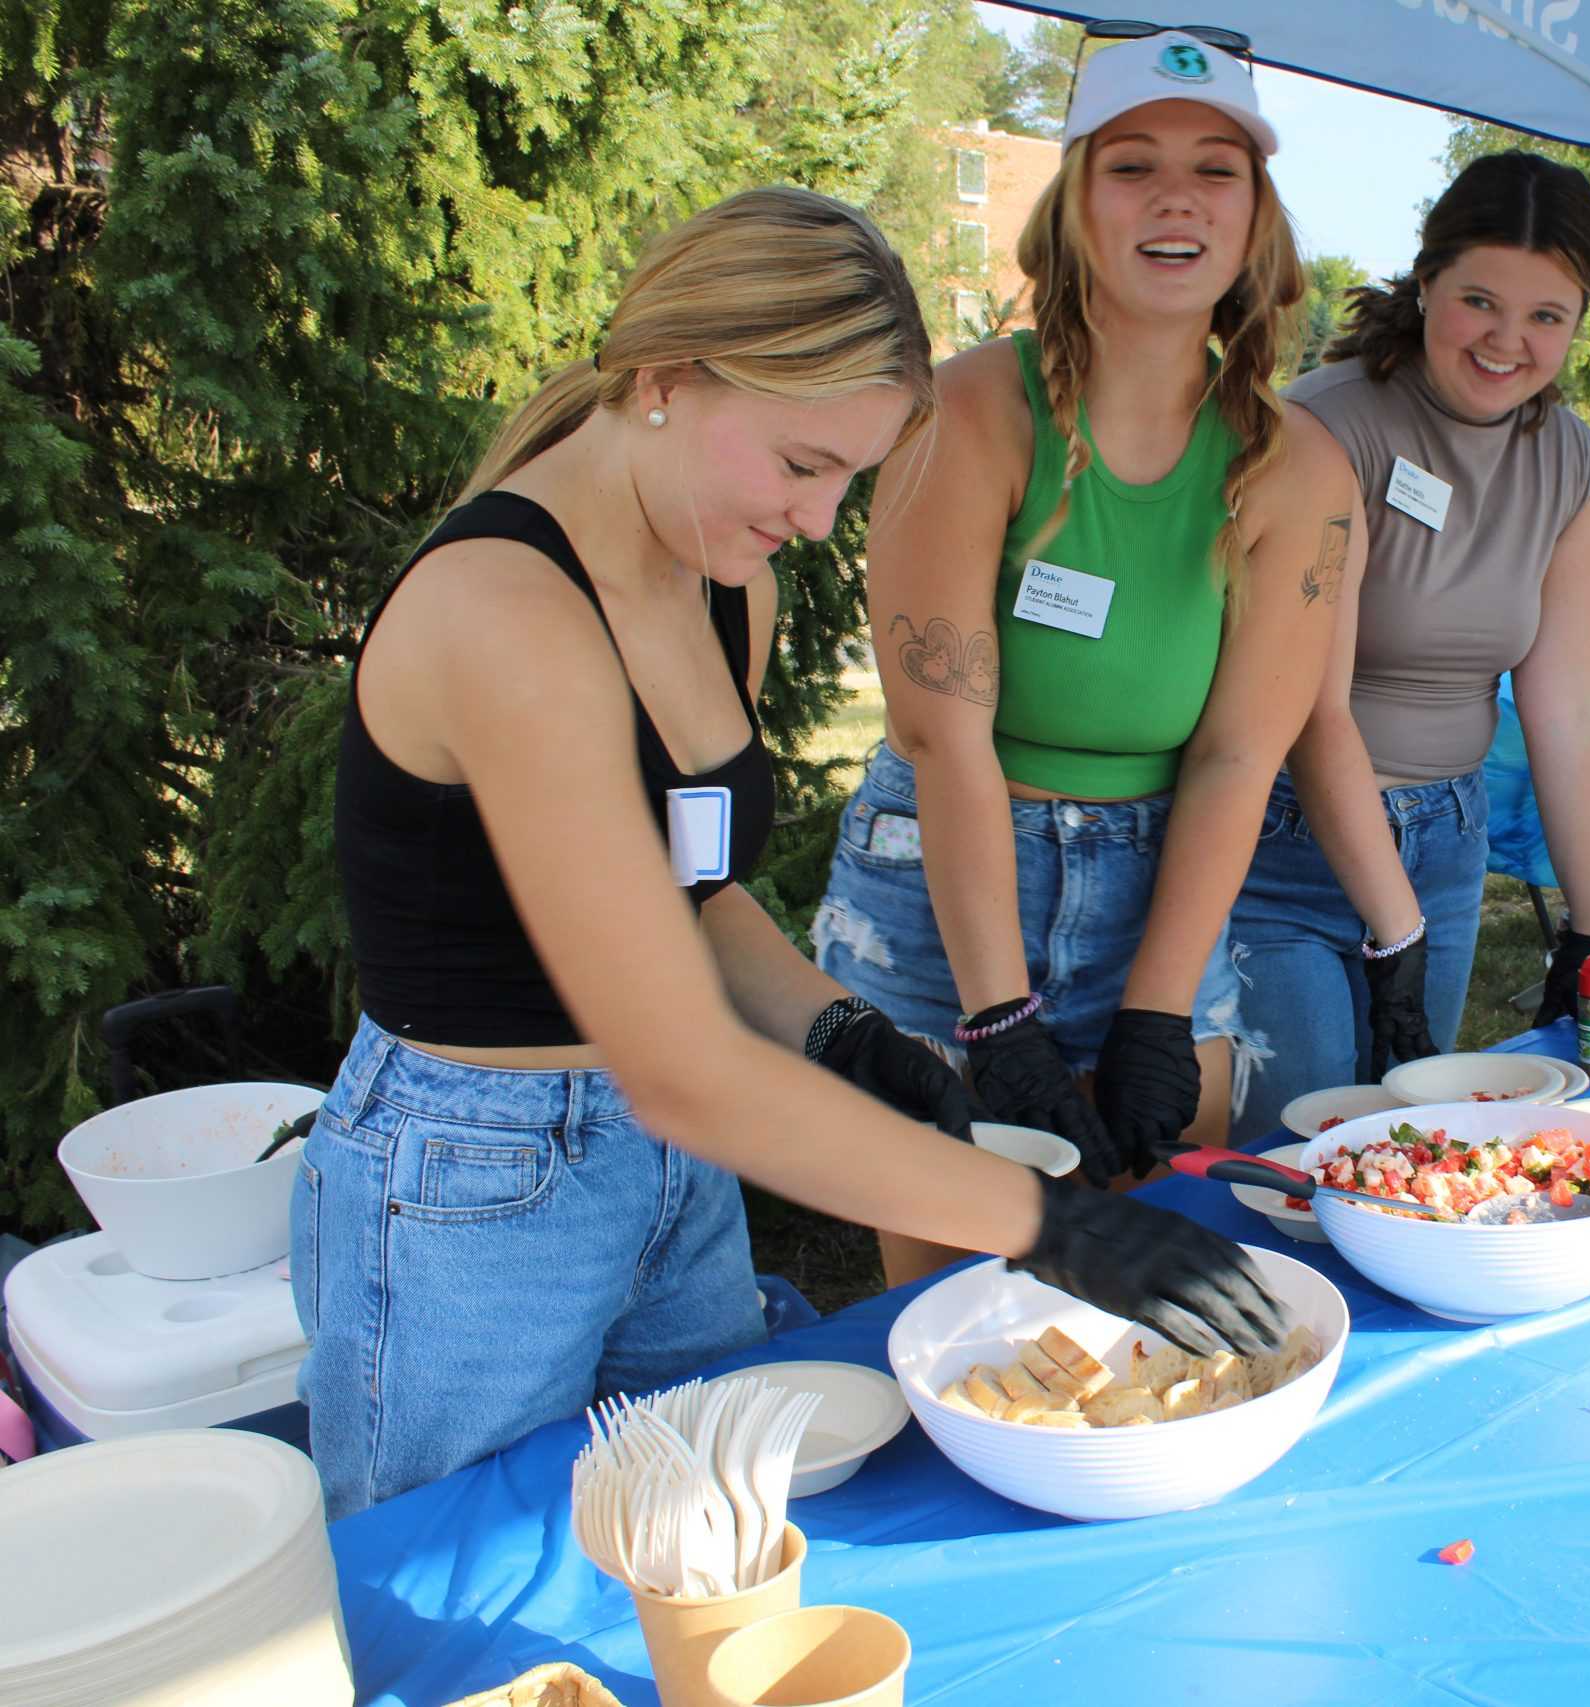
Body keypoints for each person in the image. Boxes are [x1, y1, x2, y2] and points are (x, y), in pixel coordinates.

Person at [298, 187, 1282, 1521]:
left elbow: (694, 897)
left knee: (718, 1528)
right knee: (467, 1571)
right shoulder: (507, 614)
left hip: (664, 1179)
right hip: (470, 1187)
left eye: (848, 479)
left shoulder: (723, 577)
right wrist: (1047, 1220)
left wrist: (841, 1031)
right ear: (662, 380)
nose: (820, 524)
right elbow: (689, 1072)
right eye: (802, 464)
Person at [812, 30, 1351, 1280]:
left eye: (1217, 170)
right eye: (1132, 166)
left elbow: (1237, 752)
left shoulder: (1299, 468)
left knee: (1173, 1262)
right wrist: (998, 1017)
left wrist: (1159, 1011)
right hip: (949, 867)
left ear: (1255, 218)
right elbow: (939, 730)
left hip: (1165, 879)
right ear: (1074, 206)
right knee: (957, 1289)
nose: (1177, 198)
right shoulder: (965, 414)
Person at [1227, 152, 1590, 1137]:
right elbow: (1309, 704)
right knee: (1302, 1149)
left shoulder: (1572, 461)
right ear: (1424, 280)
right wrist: (1396, 929)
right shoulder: (1324, 426)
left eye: (1545, 316)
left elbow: (1562, 710)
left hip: (1447, 838)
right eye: (1479, 300)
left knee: (1406, 1144)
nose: (1507, 341)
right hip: (1283, 841)